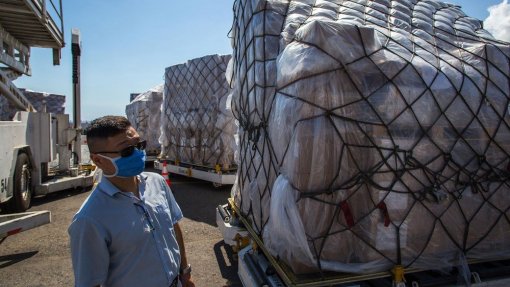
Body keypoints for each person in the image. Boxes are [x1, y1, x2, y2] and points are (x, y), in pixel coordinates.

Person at [68, 115, 194, 287]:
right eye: (127, 150)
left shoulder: (157, 183)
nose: (137, 153)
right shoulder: (90, 219)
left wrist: (184, 272)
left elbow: (173, 226)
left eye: (139, 145)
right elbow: (89, 282)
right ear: (98, 160)